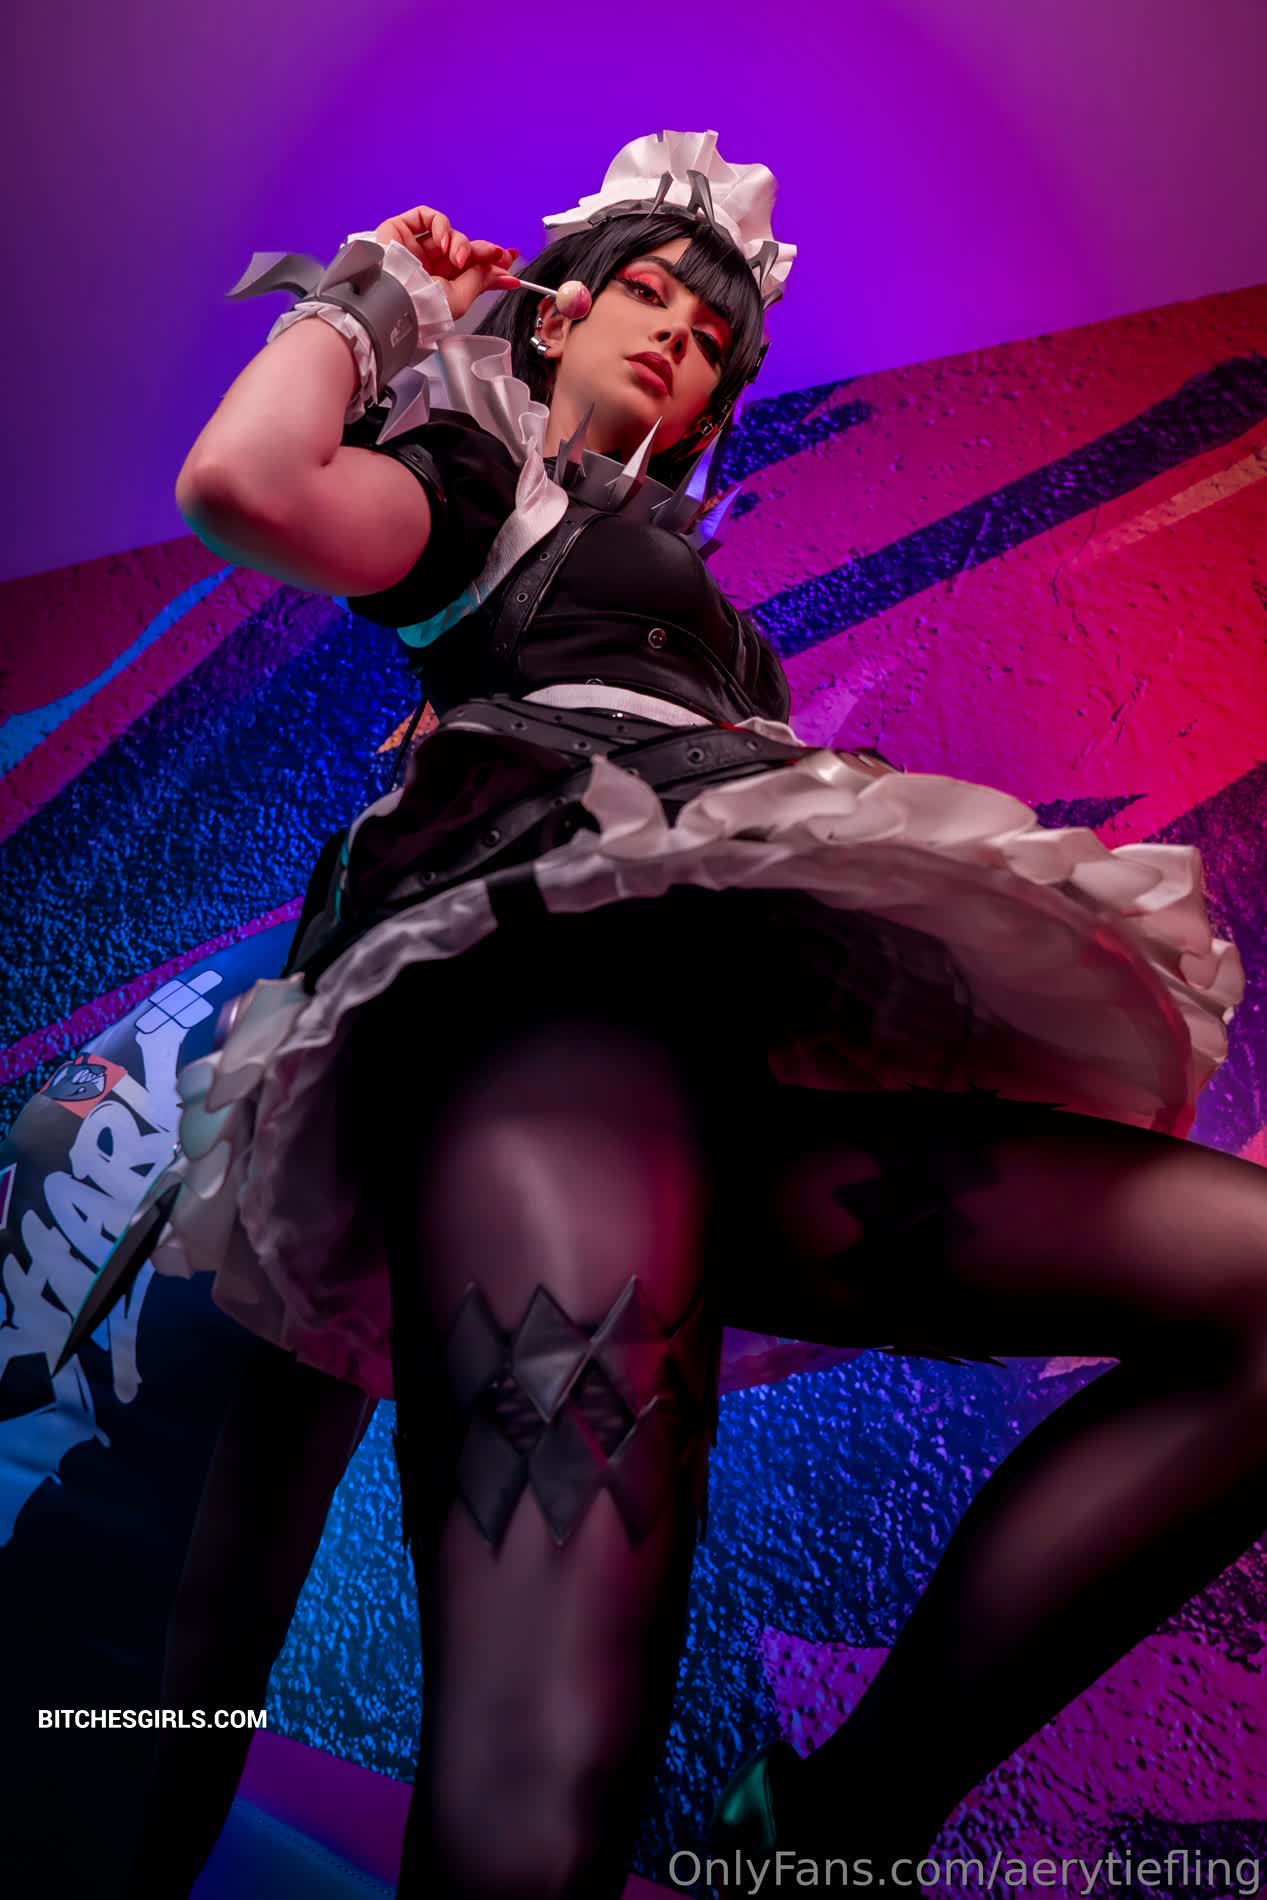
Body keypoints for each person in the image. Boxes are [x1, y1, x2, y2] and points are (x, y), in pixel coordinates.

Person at [115, 128, 1258, 1899]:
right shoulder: (476, 488)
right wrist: (376, 299)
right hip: (538, 1071)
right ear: (557, 313)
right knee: (541, 1804)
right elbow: (245, 486)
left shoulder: (726, 633)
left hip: (728, 1109)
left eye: (712, 333)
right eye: (644, 294)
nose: (677, 334)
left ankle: (827, 1839)